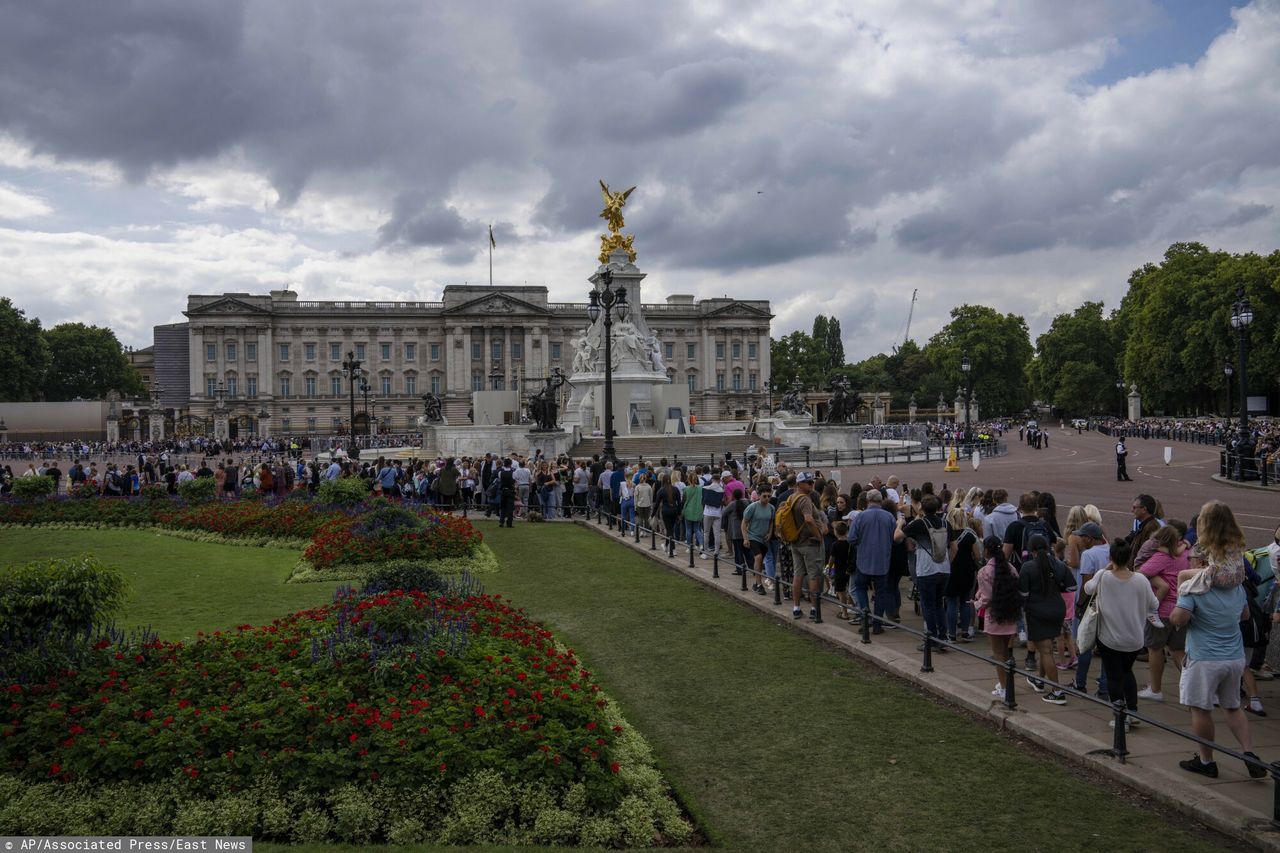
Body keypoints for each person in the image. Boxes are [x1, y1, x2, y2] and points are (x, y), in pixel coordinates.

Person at [1171, 500, 1266, 779]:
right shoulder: (1234, 582)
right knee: (1233, 706)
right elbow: (1245, 614)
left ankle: (1206, 760)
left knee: (1200, 709)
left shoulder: (1195, 587)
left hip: (1204, 656)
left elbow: (1178, 619)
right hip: (1233, 656)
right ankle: (1249, 752)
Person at [1083, 538, 1158, 729]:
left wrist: (1106, 569)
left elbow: (1087, 588)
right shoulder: (1141, 580)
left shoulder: (1103, 576)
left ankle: (1120, 716)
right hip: (1134, 638)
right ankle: (1132, 710)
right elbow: (1154, 604)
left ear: (1111, 557)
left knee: (1114, 676)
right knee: (1126, 672)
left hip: (1109, 638)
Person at [1136, 524, 1190, 702]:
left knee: (1155, 649)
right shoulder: (1184, 555)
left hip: (1161, 611)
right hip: (1181, 608)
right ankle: (1194, 686)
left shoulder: (1162, 557)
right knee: (1178, 650)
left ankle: (1156, 689)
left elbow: (1140, 573)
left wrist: (1153, 578)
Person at [1020, 535, 1074, 704]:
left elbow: (1023, 593)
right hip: (1057, 609)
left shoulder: (1027, 567)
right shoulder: (1059, 564)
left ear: (1031, 550)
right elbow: (1072, 586)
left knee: (1045, 651)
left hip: (1037, 611)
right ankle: (1040, 680)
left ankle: (1057, 692)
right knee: (1047, 647)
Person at [899, 494, 955, 650]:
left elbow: (897, 536)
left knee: (928, 605)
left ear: (922, 508)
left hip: (926, 568)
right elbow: (954, 547)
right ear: (938, 508)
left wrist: (899, 524)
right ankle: (943, 637)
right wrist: (947, 562)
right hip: (944, 568)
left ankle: (931, 639)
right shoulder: (946, 523)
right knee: (939, 604)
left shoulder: (919, 524)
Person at [974, 535, 1021, 701]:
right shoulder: (1010, 568)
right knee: (1006, 653)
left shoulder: (984, 571)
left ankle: (1004, 687)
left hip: (994, 615)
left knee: (998, 653)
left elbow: (987, 598)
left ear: (986, 550)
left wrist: (976, 604)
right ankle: (1007, 684)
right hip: (1009, 614)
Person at [849, 490, 896, 633]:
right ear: (880, 501)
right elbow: (895, 538)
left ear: (867, 501)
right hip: (883, 560)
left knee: (860, 588)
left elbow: (851, 538)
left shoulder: (860, 517)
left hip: (864, 559)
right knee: (881, 592)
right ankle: (877, 624)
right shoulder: (889, 517)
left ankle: (865, 616)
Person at [788, 472, 829, 623]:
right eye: (808, 482)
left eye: (812, 482)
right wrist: (818, 536)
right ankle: (814, 609)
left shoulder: (792, 497)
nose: (811, 485)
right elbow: (808, 519)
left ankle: (796, 607)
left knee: (798, 575)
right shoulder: (804, 499)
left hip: (796, 542)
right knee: (814, 576)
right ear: (799, 484)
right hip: (809, 544)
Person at [742, 483, 776, 595]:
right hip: (753, 536)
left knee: (761, 561)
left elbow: (771, 521)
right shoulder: (752, 507)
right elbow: (744, 523)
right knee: (758, 557)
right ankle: (759, 584)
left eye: (769, 496)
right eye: (764, 496)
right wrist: (745, 538)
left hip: (764, 538)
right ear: (759, 495)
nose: (767, 499)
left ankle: (757, 583)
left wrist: (770, 533)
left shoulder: (771, 508)